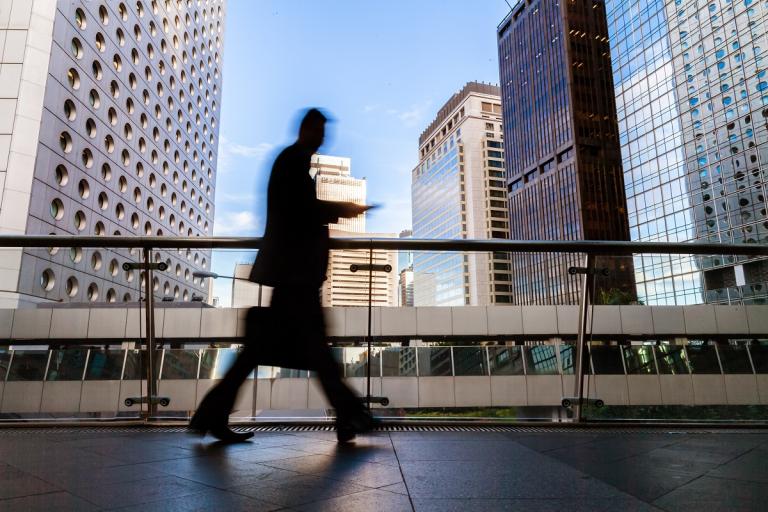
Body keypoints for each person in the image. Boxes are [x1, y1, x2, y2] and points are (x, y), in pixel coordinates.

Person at [190, 108, 376, 443]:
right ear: (306, 130)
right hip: (296, 276)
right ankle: (351, 416)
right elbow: (299, 212)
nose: (322, 139)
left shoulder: (292, 162)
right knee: (315, 350)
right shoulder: (292, 162)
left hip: (294, 274)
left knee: (268, 349)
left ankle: (211, 415)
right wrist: (342, 209)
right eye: (318, 132)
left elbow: (296, 211)